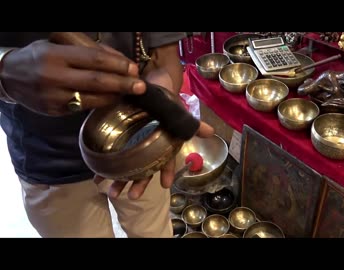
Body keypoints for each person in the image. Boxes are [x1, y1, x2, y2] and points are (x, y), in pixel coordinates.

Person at [0, 32, 214, 238]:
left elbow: (162, 58)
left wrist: (162, 107)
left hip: (138, 145)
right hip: (49, 163)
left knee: (153, 231)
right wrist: (4, 69)